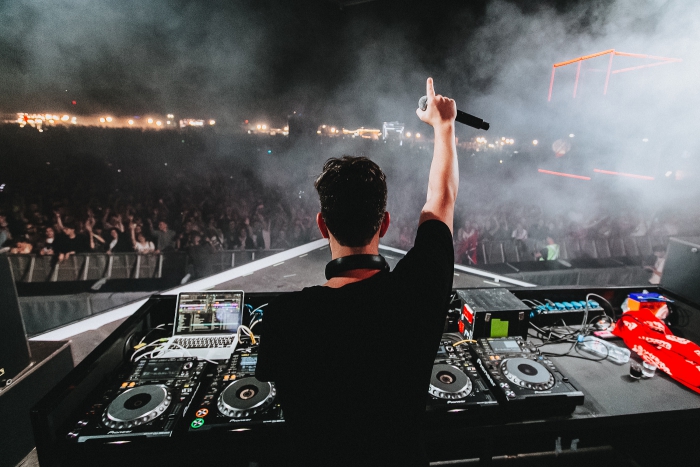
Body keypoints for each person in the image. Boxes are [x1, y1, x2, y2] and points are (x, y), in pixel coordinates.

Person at [256, 77, 457, 467]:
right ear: (384, 224)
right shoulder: (417, 293)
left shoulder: (284, 318)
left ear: (322, 225)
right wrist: (444, 125)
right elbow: (442, 200)